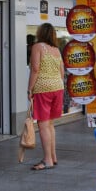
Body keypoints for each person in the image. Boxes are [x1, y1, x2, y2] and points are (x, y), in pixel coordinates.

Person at [27, 23, 65, 171]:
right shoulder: (56, 50)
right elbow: (61, 71)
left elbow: (35, 69)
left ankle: (47, 160)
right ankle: (53, 156)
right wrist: (56, 83)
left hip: (43, 88)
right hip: (58, 88)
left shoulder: (38, 47)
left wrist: (30, 89)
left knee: (43, 125)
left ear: (40, 33)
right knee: (50, 124)